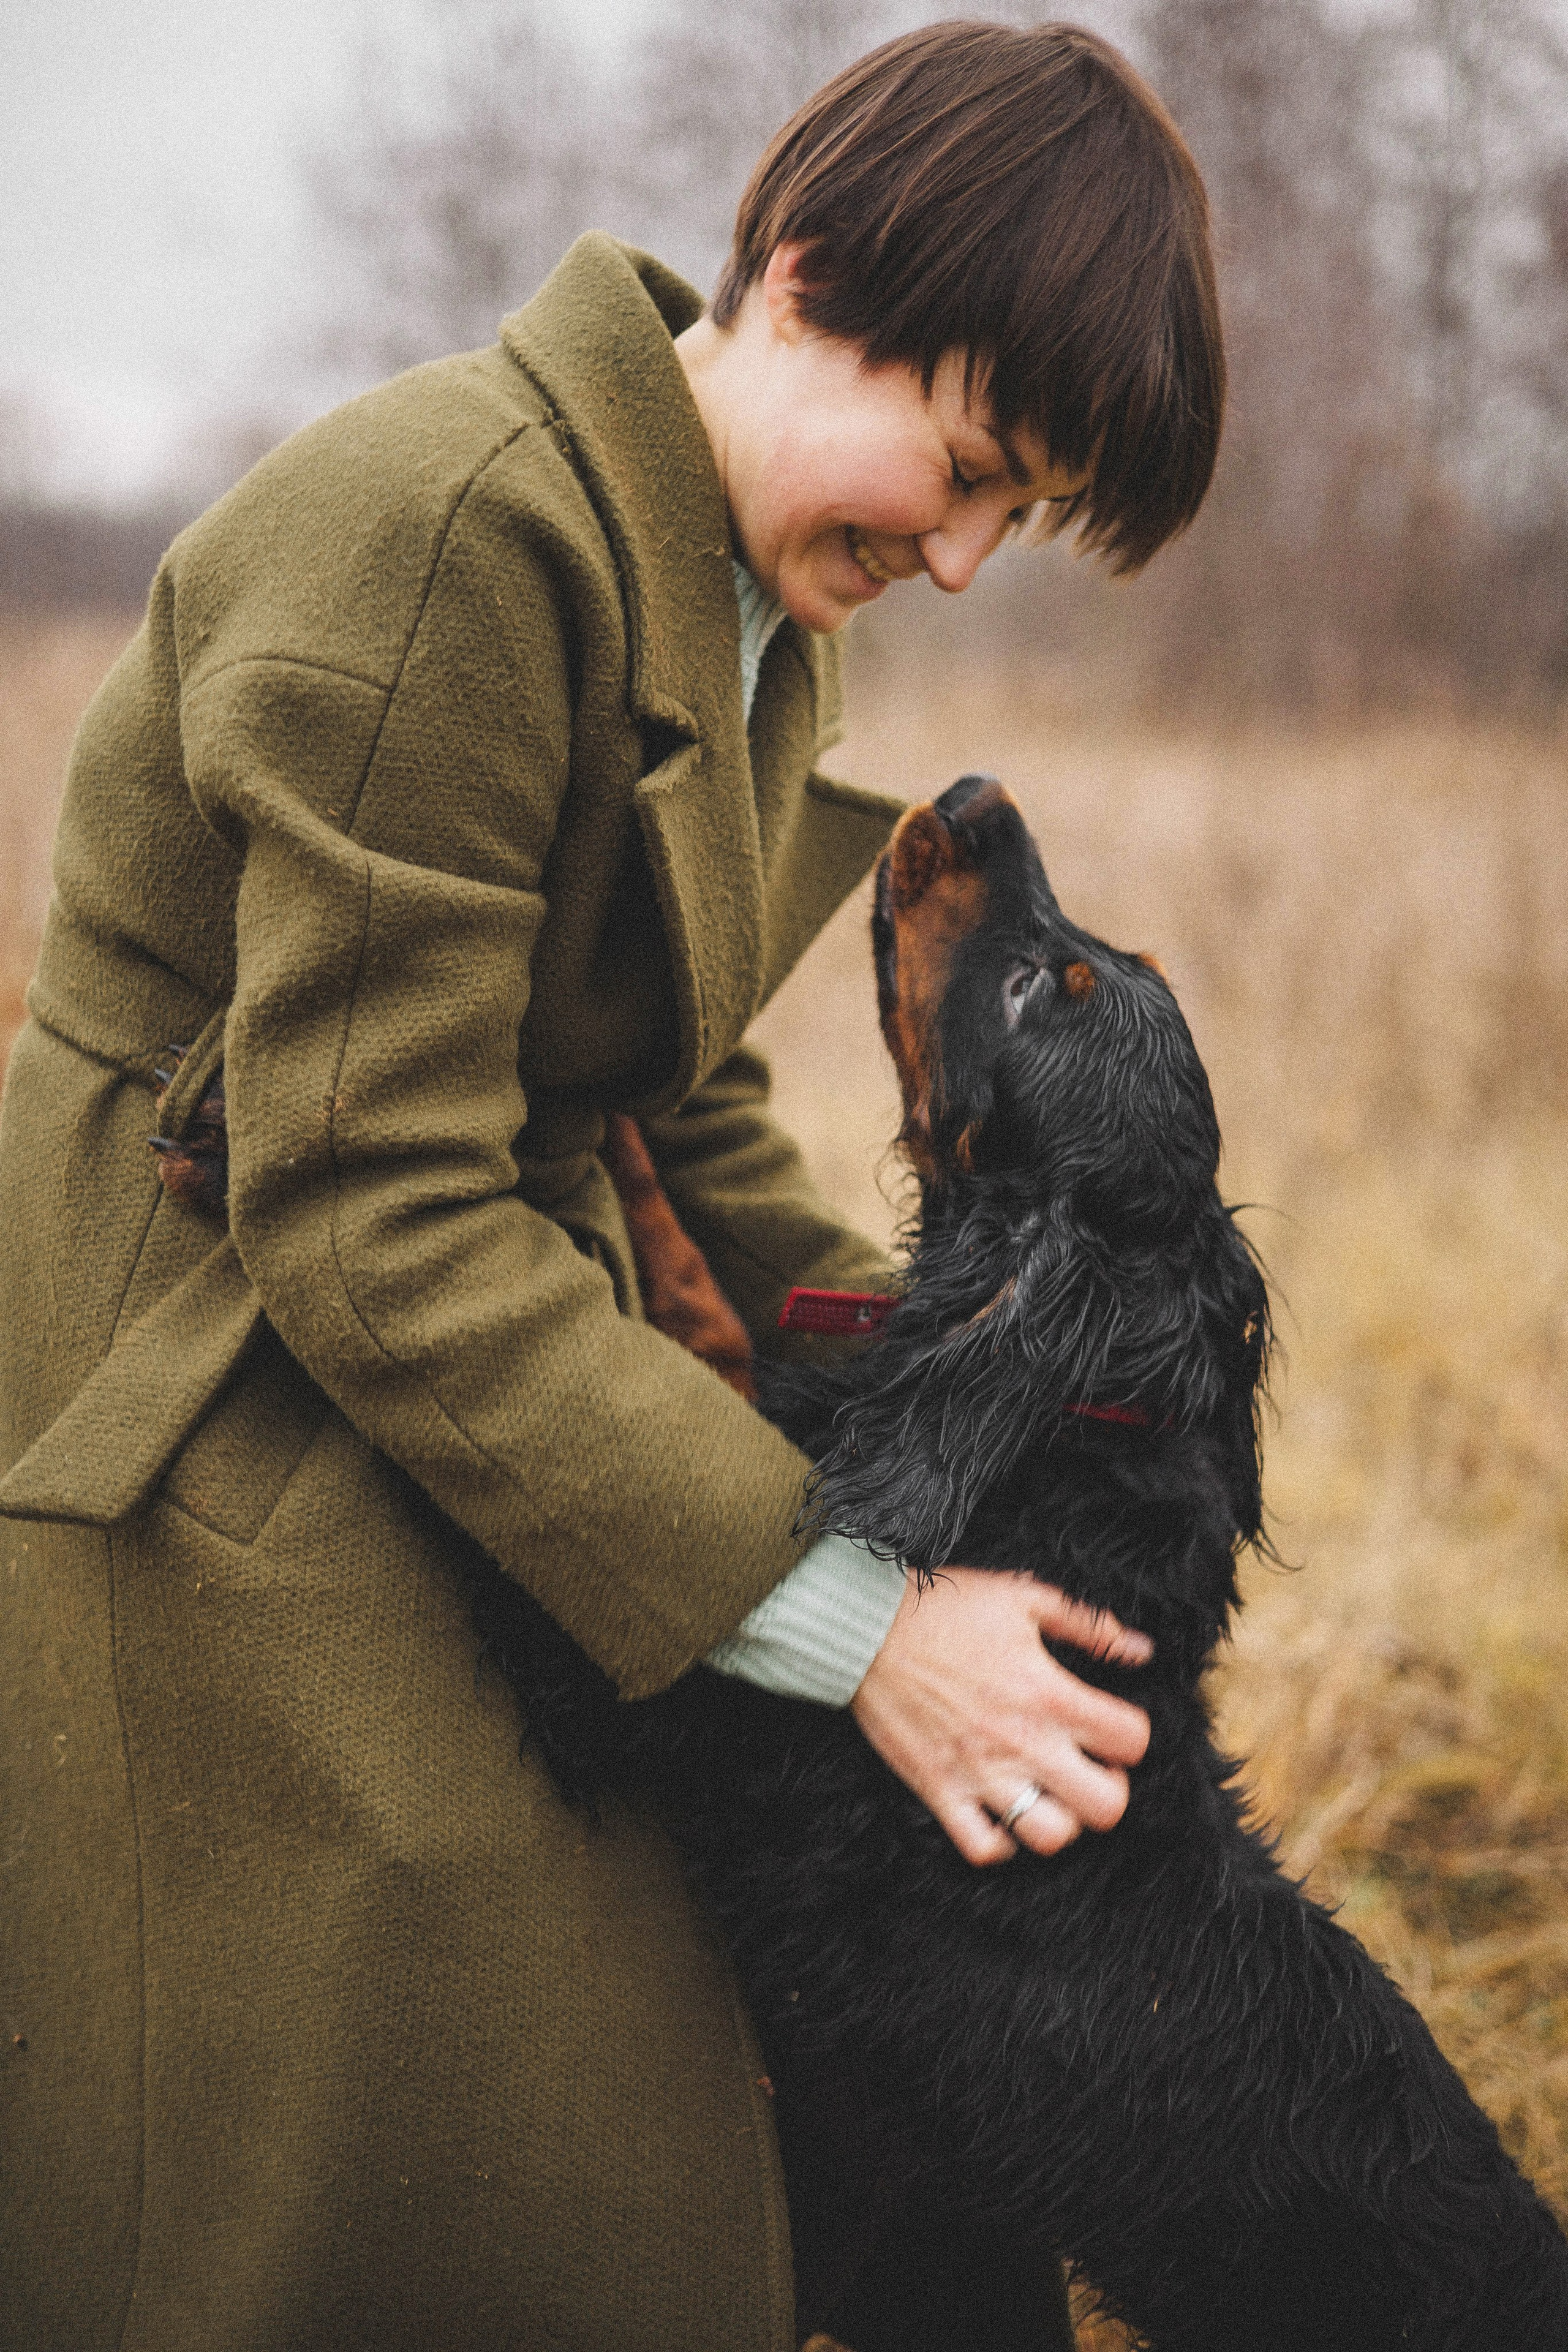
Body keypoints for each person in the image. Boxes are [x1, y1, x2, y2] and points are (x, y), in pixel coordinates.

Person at [0, 21, 1223, 2352]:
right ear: (805, 263)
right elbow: (369, 1200)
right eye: (964, 468)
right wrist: (864, 1629)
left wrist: (963, 1401)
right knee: (507, 2031)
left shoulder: (748, 593)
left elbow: (660, 1098)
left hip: (424, 1316)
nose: (960, 561)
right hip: (208, 1371)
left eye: (1016, 517)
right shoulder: (456, 533)